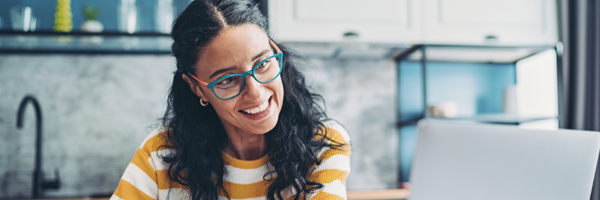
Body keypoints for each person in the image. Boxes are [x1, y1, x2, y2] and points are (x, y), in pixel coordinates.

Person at [110, 0, 350, 199]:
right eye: (227, 80)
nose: (255, 92)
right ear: (196, 88)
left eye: (263, 63)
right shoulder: (160, 153)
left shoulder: (323, 143)